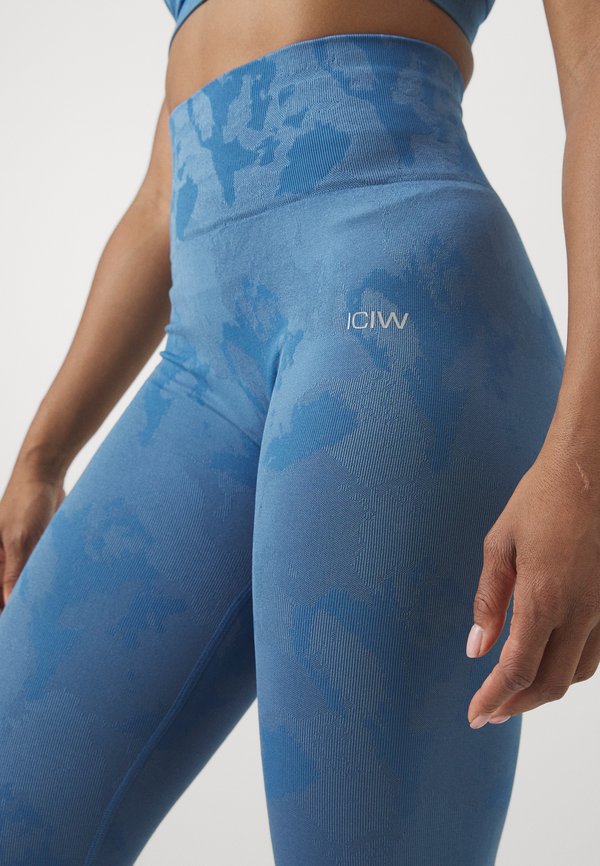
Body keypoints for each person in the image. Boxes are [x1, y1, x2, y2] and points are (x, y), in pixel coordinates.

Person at [1, 0, 599, 863]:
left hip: (397, 306)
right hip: (204, 354)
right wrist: (42, 455)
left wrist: (583, 462)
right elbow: (163, 196)